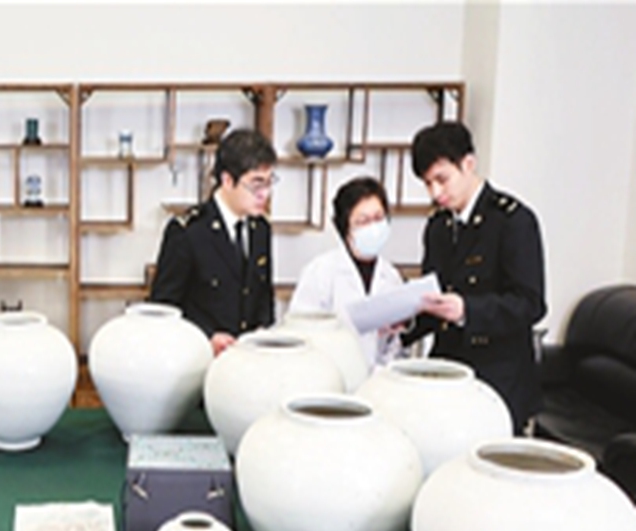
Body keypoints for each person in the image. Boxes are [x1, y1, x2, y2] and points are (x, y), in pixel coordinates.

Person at [404, 120, 546, 435]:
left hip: (499, 378)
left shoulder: (512, 221)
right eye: (427, 184)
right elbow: (436, 298)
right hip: (447, 374)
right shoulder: (439, 227)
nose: (435, 192)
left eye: (442, 179)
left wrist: (467, 310)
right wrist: (404, 324)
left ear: (468, 164)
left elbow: (530, 304)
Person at [150, 129, 278, 356]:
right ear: (227, 180)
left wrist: (262, 336)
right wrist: (207, 336)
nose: (265, 194)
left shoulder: (261, 230)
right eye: (257, 184)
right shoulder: (187, 232)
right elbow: (162, 311)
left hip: (250, 360)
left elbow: (264, 299)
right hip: (199, 361)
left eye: (270, 182)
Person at [289, 176, 406, 367]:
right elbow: (300, 334)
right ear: (345, 228)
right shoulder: (320, 272)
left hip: (378, 384)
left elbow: (396, 346)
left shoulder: (391, 276)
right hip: (330, 379)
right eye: (363, 221)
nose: (373, 228)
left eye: (378, 218)